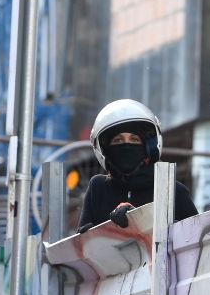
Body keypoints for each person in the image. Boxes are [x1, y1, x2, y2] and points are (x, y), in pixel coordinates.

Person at [78, 99, 199, 232]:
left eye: (134, 139)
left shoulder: (173, 191)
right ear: (105, 150)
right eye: (118, 140)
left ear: (149, 148)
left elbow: (199, 242)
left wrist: (138, 220)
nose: (126, 146)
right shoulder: (98, 188)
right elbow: (81, 247)